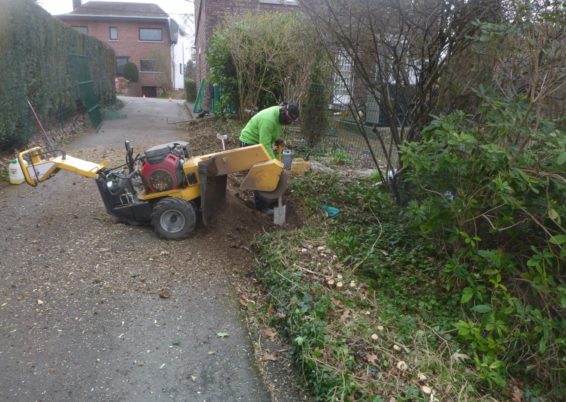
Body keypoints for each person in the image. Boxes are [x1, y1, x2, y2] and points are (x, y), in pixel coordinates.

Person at [239, 103, 300, 214]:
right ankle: (261, 208)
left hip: (259, 143)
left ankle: (269, 197)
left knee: (267, 168)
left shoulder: (278, 117)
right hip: (249, 142)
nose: (288, 123)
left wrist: (277, 139)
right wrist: (274, 162)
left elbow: (272, 132)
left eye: (291, 121)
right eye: (288, 120)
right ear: (284, 112)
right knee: (261, 172)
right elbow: (264, 145)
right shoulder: (269, 120)